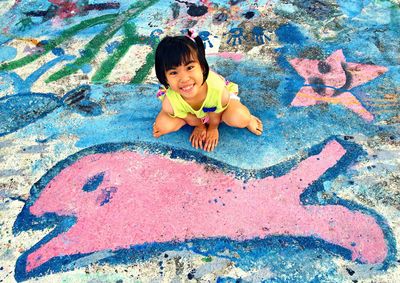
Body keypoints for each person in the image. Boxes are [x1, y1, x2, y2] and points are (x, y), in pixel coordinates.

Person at [153, 29, 263, 152]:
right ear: (165, 79)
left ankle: (249, 118)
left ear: (203, 67)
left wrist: (212, 128)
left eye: (190, 67)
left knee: (240, 118)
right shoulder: (169, 103)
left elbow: (215, 113)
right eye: (173, 72)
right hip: (192, 112)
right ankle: (193, 118)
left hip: (218, 105)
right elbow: (190, 118)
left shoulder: (217, 89)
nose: (184, 79)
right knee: (162, 126)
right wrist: (199, 126)